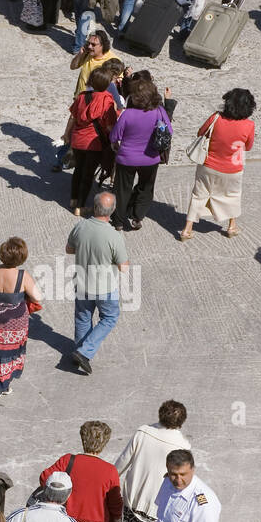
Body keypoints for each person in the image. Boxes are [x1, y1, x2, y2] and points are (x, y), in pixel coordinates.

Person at [115, 400, 191, 522]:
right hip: (156, 500)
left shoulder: (143, 432)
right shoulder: (183, 445)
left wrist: (109, 478)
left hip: (133, 494)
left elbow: (123, 461)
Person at [65, 192, 129, 375]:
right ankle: (84, 352)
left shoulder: (80, 226)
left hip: (82, 283)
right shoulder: (114, 235)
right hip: (105, 287)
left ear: (94, 207)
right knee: (109, 317)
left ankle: (79, 351)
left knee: (83, 318)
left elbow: (69, 248)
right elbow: (123, 266)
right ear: (112, 210)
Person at [180, 89, 256, 242]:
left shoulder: (215, 118)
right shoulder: (249, 125)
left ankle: (187, 229)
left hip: (208, 165)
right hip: (233, 168)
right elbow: (248, 147)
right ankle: (232, 226)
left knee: (199, 194)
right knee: (232, 196)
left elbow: (200, 133)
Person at [0, 237, 42, 398]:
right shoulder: (22, 275)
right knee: (9, 351)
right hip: (14, 322)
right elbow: (37, 297)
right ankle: (2, 385)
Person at [108, 76, 172, 231]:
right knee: (146, 188)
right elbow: (169, 132)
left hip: (126, 158)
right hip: (151, 159)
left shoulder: (128, 114)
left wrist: (114, 146)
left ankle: (118, 221)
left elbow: (114, 136)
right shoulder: (159, 112)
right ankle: (137, 217)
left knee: (122, 189)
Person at [68, 68, 118, 214]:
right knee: (88, 174)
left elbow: (74, 116)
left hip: (78, 140)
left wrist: (66, 135)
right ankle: (80, 207)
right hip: (94, 143)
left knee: (78, 169)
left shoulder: (82, 97)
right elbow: (109, 126)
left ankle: (73, 199)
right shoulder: (107, 100)